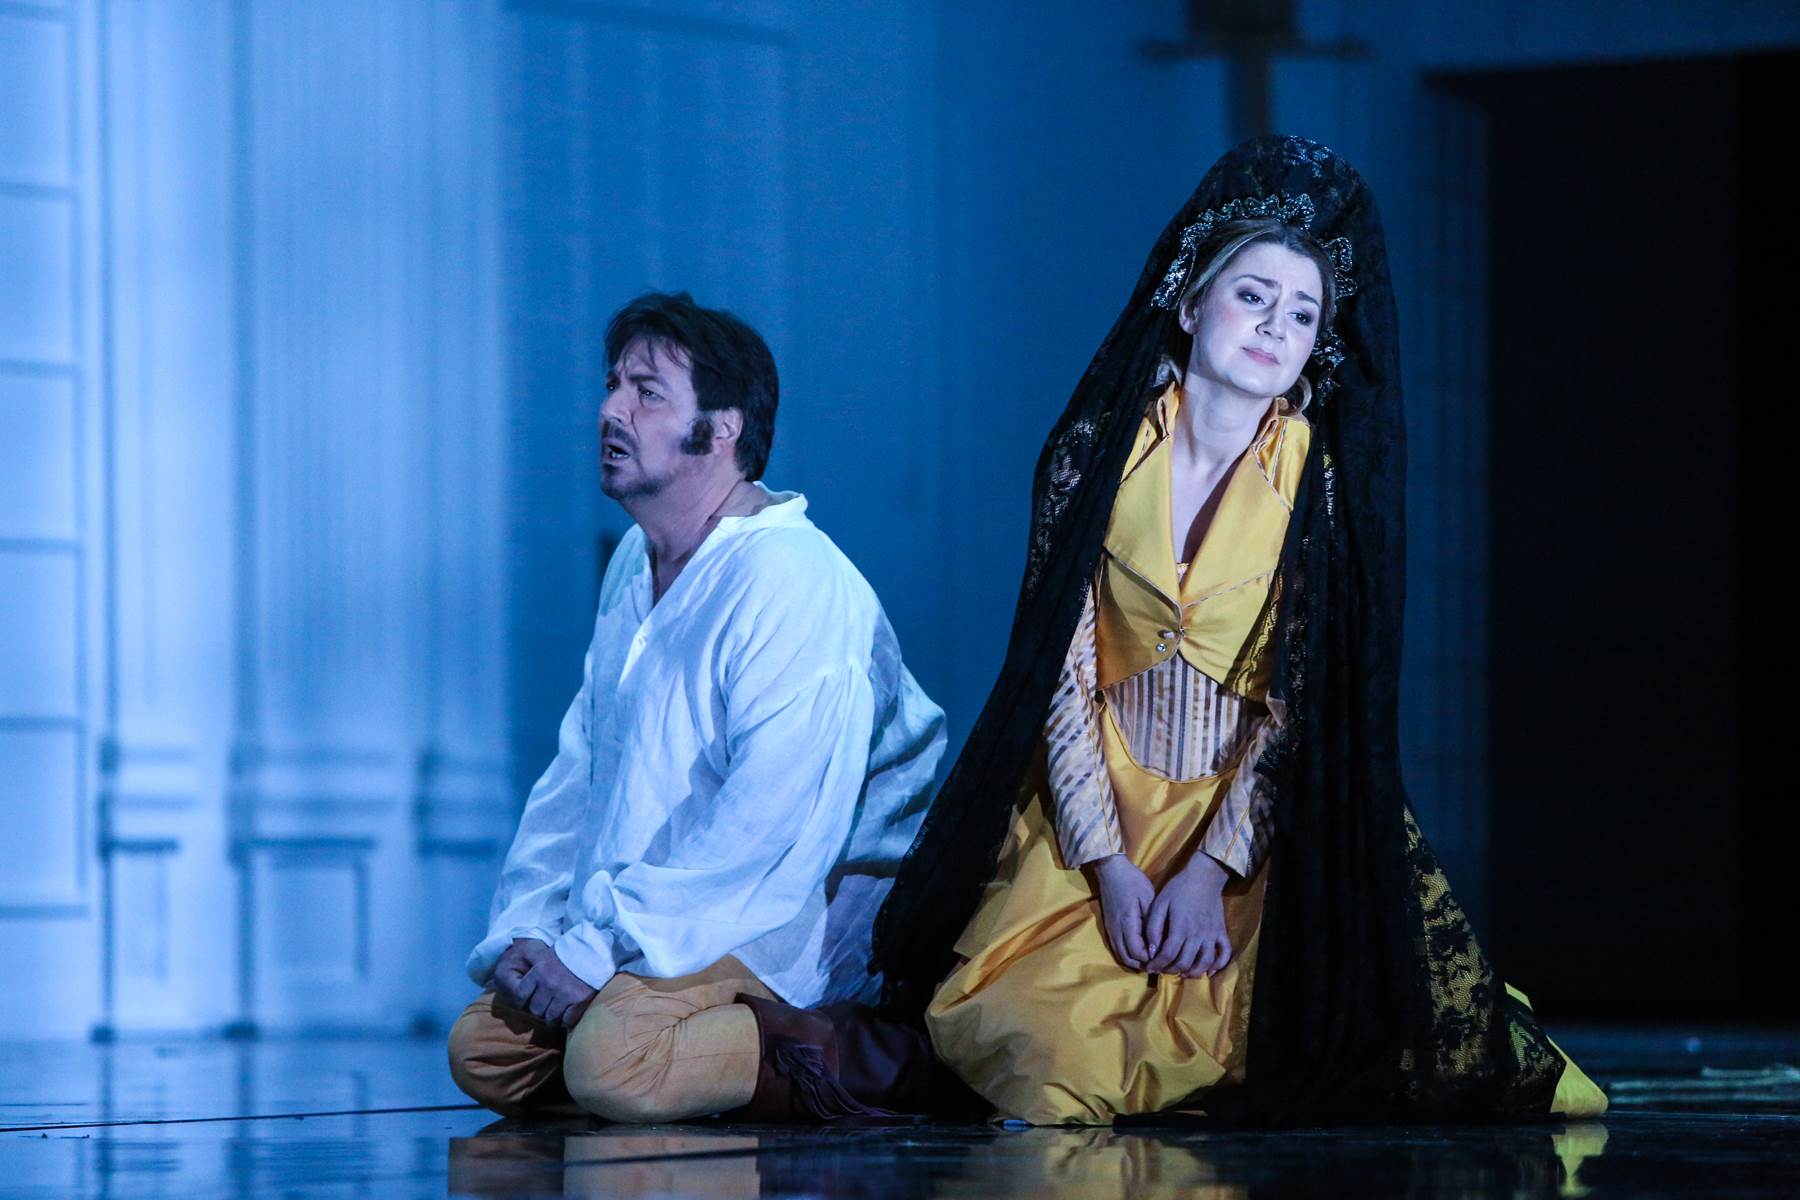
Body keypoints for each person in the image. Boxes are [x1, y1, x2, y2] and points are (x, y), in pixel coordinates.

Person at [870, 136, 1609, 1125]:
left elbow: (1305, 702)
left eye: (1302, 314)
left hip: (1253, 821)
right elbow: (1058, 670)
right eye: (1253, 295)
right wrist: (1111, 866)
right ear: (1189, 304)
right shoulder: (1094, 452)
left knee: (1366, 1048)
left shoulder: (1319, 480)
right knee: (1041, 1059)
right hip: (1096, 812)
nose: (1275, 325)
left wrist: (1208, 876)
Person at [448, 291, 949, 1123]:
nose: (612, 411)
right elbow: (584, 770)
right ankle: (667, 1051)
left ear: (721, 429)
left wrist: (600, 948)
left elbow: (770, 823)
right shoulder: (634, 564)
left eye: (647, 393)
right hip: (651, 913)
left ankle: (865, 1060)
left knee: (614, 1063)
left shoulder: (789, 576)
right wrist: (532, 926)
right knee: (484, 1054)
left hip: (782, 915)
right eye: (613, 386)